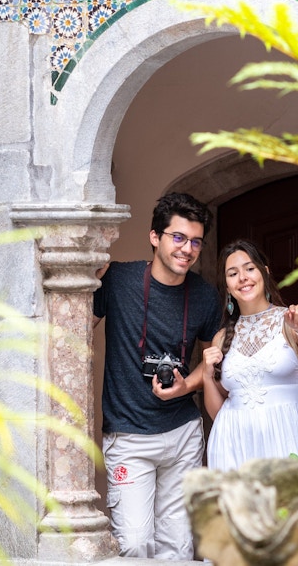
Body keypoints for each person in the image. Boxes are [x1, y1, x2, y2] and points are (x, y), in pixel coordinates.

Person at [93, 192, 221, 560]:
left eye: (195, 241)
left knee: (178, 548)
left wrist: (189, 383)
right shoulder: (118, 279)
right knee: (133, 544)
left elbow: (216, 355)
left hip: (182, 432)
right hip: (129, 434)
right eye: (178, 237)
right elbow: (75, 328)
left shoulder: (204, 296)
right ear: (155, 237)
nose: (187, 249)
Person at [202, 239, 298, 472]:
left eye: (250, 269)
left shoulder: (293, 320)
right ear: (228, 287)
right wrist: (207, 376)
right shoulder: (221, 338)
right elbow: (218, 411)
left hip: (287, 439)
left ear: (265, 272)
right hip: (232, 446)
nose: (243, 277)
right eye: (233, 273)